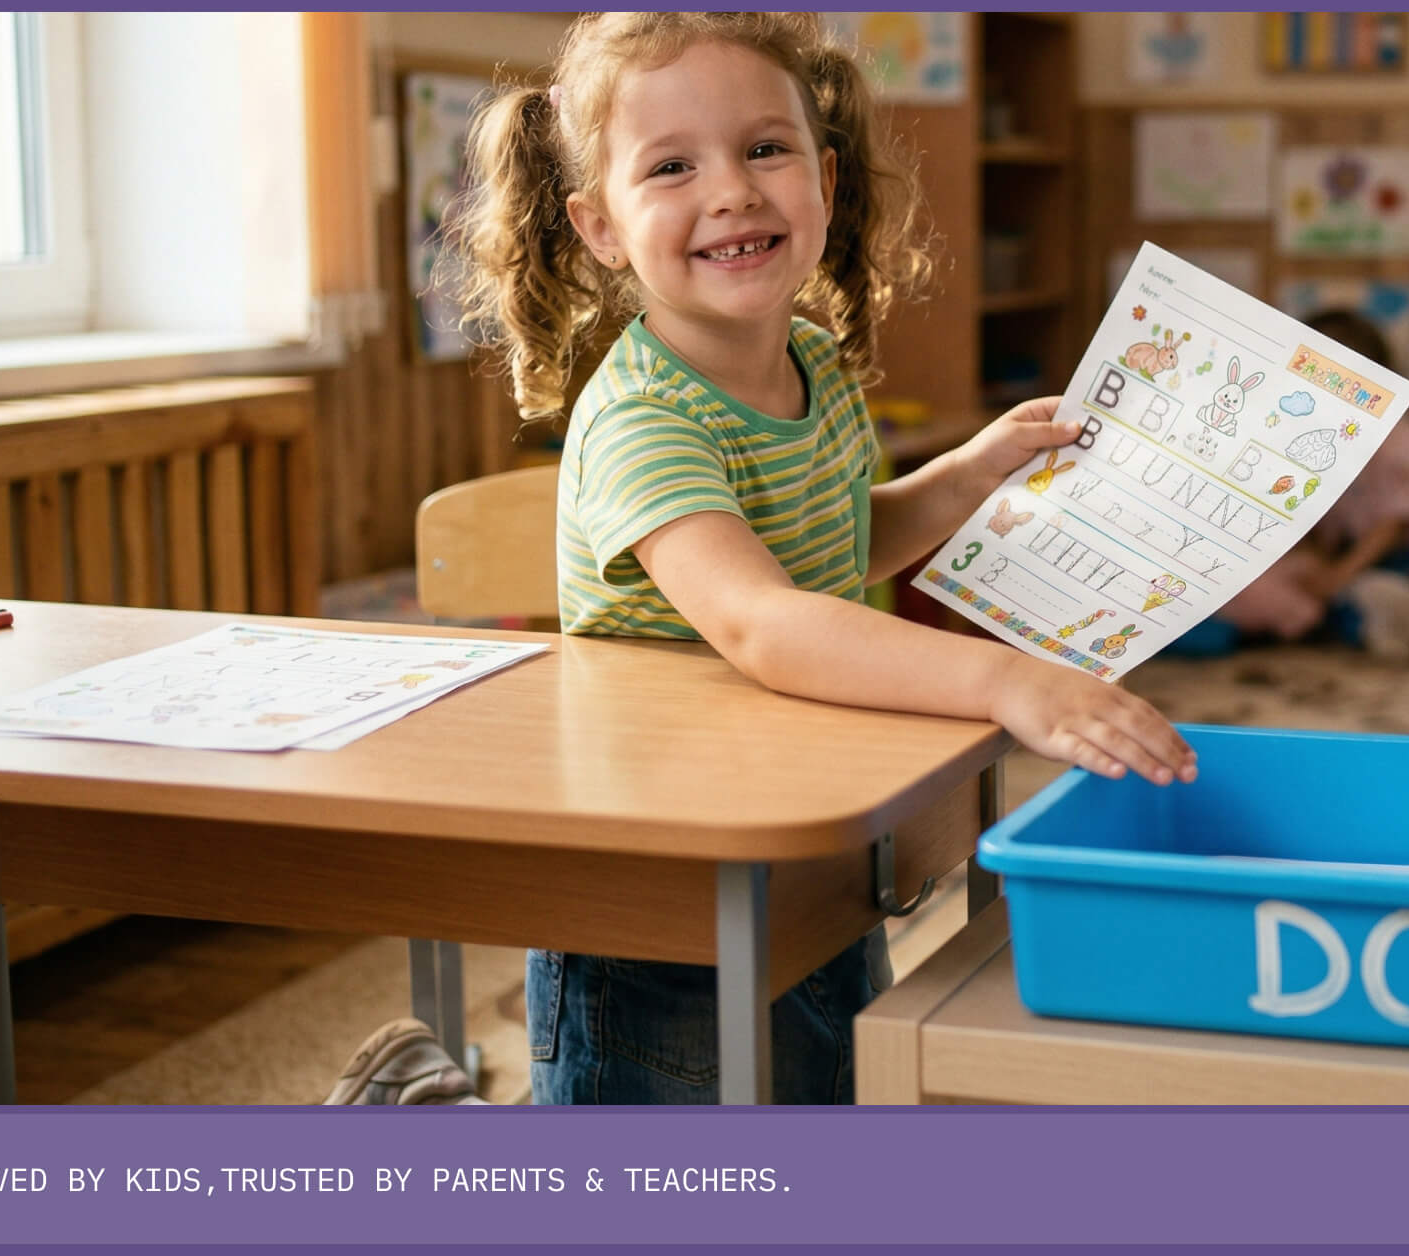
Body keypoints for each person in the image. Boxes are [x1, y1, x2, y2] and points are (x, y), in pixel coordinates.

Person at [420, 12, 1194, 1106]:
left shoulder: (811, 358)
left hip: (804, 830)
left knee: (815, 1092)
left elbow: (826, 544)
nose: (731, 190)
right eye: (674, 166)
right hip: (668, 886)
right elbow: (762, 621)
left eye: (764, 149)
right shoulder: (644, 418)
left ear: (825, 180)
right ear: (601, 226)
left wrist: (968, 474)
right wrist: (1008, 678)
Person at [1167, 309, 1409, 657]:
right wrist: (1320, 572)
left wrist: (1338, 576)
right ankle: (1390, 615)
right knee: (1336, 604)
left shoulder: (1400, 439)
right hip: (1369, 566)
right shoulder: (1311, 442)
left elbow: (1393, 527)